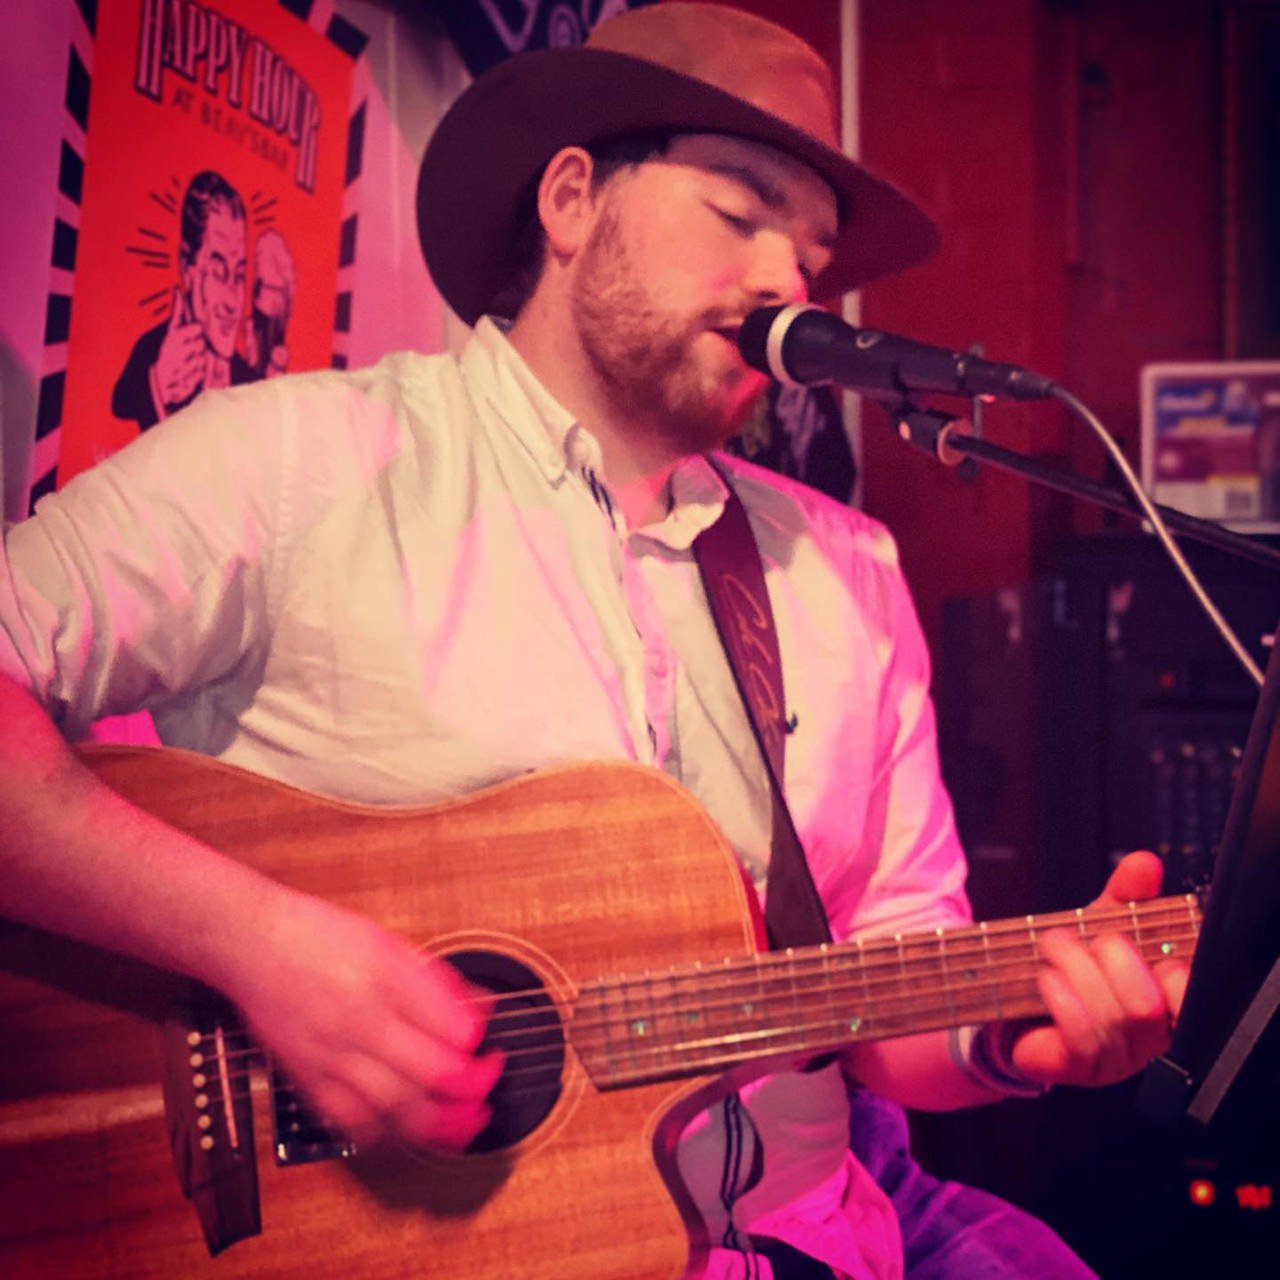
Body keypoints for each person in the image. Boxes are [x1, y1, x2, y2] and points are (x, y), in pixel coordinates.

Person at [0, 5, 1186, 1278]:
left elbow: (883, 992)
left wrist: (1013, 1038)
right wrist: (266, 946)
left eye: (814, 255)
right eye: (740, 216)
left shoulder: (845, 567)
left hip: (811, 1238)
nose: (789, 281)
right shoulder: (301, 464)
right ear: (570, 201)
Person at [111, 169, 258, 430]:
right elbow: (117, 407)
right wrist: (159, 387)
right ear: (186, 269)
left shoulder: (251, 385)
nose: (233, 302)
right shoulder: (149, 354)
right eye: (217, 272)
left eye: (238, 276)